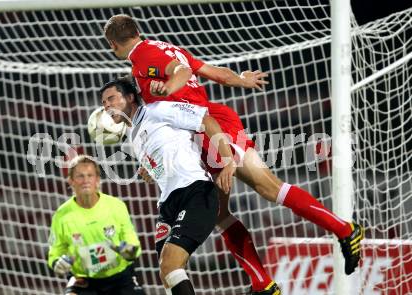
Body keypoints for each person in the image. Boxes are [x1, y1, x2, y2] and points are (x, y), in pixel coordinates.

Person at [104, 14, 363, 293]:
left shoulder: (142, 56)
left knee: (267, 187)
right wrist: (240, 80)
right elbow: (213, 73)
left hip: (210, 124)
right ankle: (262, 283)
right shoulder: (165, 47)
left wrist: (169, 87)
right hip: (198, 128)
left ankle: (345, 230)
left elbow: (183, 73)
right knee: (219, 212)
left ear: (113, 43)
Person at [100, 78, 241, 295]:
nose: (106, 106)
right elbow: (162, 158)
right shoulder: (132, 135)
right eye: (103, 103)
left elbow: (206, 120)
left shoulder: (158, 109)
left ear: (129, 97)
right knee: (167, 273)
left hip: (195, 191)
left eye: (111, 99)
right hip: (168, 203)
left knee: (170, 264)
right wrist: (150, 170)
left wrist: (228, 160)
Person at [47, 155, 145, 295]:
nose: (85, 181)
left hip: (120, 278)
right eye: (80, 176)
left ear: (97, 180)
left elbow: (133, 243)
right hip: (83, 281)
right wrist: (57, 263)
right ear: (71, 181)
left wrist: (129, 251)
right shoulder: (61, 215)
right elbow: (55, 253)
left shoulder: (116, 206)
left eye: (90, 175)